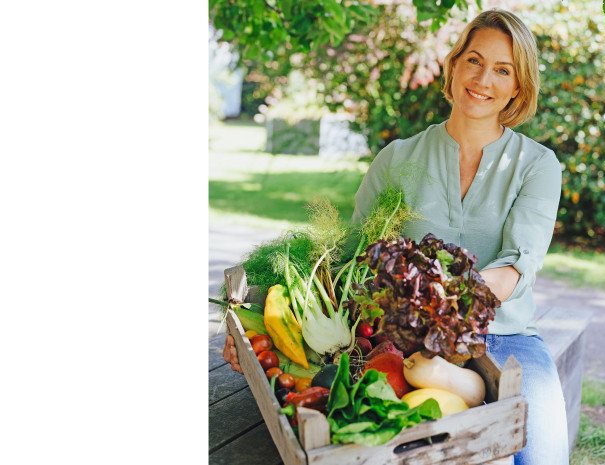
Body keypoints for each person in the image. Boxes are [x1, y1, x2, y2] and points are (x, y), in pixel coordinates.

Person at [224, 9, 568, 464]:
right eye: (475, 61)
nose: (484, 78)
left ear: (518, 86)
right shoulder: (397, 158)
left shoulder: (536, 165)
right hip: (404, 344)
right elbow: (346, 258)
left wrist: (444, 313)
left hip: (506, 338)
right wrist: (256, 334)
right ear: (454, 65)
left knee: (544, 455)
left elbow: (515, 266)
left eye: (502, 70)